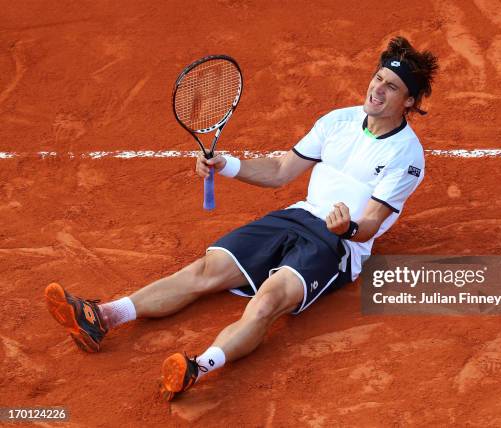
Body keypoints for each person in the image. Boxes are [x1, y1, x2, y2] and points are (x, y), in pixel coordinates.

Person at [45, 36, 438, 400]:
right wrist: (226, 165)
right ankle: (104, 316)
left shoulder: (406, 156)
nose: (377, 89)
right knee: (206, 269)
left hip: (337, 244)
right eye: (377, 78)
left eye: (391, 87)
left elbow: (370, 222)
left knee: (268, 301)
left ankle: (198, 367)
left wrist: (347, 228)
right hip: (296, 217)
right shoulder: (338, 121)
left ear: (409, 101)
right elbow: (283, 170)